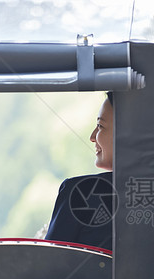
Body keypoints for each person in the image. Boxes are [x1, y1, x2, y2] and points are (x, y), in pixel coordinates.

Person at [44, 92, 114, 250]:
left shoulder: (81, 192)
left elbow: (47, 264)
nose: (92, 136)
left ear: (126, 133)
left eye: (100, 126)